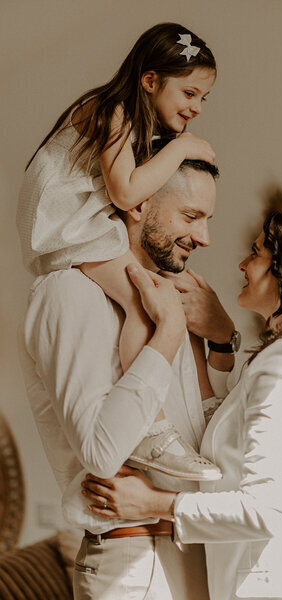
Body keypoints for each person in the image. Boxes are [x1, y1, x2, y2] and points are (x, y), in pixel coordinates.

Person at [82, 210, 282, 600]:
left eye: (256, 253)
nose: (242, 264)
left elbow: (267, 508)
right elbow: (239, 425)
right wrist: (224, 338)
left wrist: (152, 503)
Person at [19, 155, 238, 599]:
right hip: (132, 565)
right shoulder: (69, 294)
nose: (204, 237)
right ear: (138, 204)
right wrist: (170, 334)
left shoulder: (171, 297)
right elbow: (101, 451)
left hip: (198, 552)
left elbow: (209, 441)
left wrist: (222, 335)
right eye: (191, 216)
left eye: (208, 219)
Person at [17, 21, 219, 479]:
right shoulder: (113, 110)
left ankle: (154, 429)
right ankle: (152, 430)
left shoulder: (127, 118)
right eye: (189, 93)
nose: (196, 107)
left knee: (144, 300)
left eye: (203, 98)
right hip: (67, 229)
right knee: (142, 306)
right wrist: (183, 147)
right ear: (150, 80)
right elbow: (127, 192)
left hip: (77, 227)